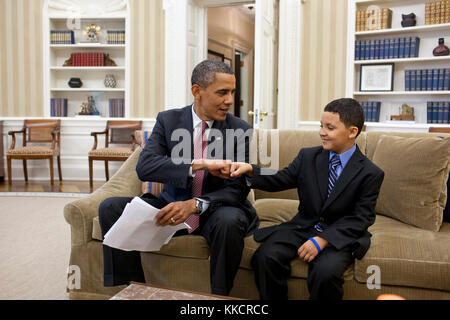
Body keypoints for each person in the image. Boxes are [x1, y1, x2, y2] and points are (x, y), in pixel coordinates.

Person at [98, 59, 258, 296]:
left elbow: (237, 189)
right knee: (110, 207)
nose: (230, 101)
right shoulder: (168, 120)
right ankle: (133, 289)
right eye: (222, 92)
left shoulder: (240, 130)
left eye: (232, 92)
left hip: (216, 209)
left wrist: (194, 205)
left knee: (230, 221)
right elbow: (146, 166)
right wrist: (198, 164)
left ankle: (219, 295)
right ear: (197, 91)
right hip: (171, 205)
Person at [229, 98, 384, 300]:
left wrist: (322, 240)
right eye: (321, 126)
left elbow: (360, 218)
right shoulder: (308, 157)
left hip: (339, 236)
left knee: (325, 273)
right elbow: (280, 178)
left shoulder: (370, 173)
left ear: (352, 132)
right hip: (303, 227)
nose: (321, 132)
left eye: (330, 127)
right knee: (264, 258)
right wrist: (251, 170)